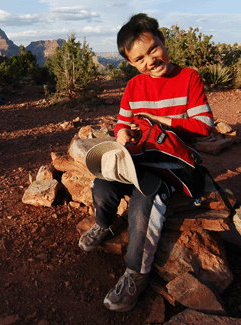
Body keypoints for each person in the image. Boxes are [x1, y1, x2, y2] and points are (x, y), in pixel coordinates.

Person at [78, 13, 214, 312]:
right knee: (102, 184)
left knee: (145, 201)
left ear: (163, 41)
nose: (150, 60)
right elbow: (121, 125)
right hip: (139, 159)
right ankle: (103, 224)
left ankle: (135, 274)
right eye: (139, 59)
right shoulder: (134, 87)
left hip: (172, 164)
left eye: (153, 49)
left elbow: (204, 126)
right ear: (131, 63)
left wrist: (159, 120)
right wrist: (123, 133)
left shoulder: (188, 77)